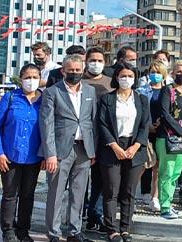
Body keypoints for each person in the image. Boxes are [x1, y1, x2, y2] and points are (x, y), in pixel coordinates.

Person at [40, 54, 97, 242]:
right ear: (63, 71)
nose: (74, 73)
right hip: (60, 151)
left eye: (78, 70)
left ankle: (74, 231)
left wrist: (93, 150)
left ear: (83, 71)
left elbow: (92, 122)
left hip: (83, 149)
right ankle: (54, 233)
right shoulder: (52, 92)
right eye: (70, 70)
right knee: (55, 193)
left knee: (79, 193)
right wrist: (50, 154)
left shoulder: (90, 92)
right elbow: (46, 124)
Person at [0, 64, 43, 242]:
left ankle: (23, 230)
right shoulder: (10, 98)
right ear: (21, 79)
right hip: (9, 156)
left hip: (34, 157)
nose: (31, 81)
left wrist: (45, 154)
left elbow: (49, 129)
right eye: (27, 77)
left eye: (35, 77)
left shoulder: (44, 100)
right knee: (10, 194)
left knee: (28, 195)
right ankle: (8, 230)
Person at [97, 63, 151, 242]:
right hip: (112, 147)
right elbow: (102, 124)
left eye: (130, 76)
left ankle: (126, 229)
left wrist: (136, 146)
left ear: (135, 79)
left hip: (134, 147)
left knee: (129, 191)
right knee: (111, 190)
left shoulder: (142, 99)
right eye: (123, 76)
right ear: (117, 78)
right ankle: (112, 229)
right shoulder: (107, 99)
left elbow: (145, 124)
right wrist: (114, 146)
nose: (126, 79)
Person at [156, 60, 182, 219]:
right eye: (179, 71)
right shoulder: (167, 90)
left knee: (176, 173)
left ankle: (170, 202)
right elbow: (165, 114)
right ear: (172, 73)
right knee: (167, 171)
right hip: (169, 136)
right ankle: (164, 206)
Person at [83, 47, 112, 233]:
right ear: (86, 61)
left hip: (104, 139)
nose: (96, 63)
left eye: (99, 60)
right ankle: (80, 214)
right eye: (92, 60)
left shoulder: (110, 83)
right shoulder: (79, 81)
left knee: (101, 181)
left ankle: (95, 214)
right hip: (82, 138)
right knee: (80, 181)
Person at [139, 61, 169, 212]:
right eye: (152, 71)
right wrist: (148, 125)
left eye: (158, 71)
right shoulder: (142, 91)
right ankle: (131, 192)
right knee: (143, 165)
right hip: (145, 132)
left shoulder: (167, 91)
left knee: (157, 166)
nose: (154, 74)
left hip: (162, 132)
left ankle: (154, 197)